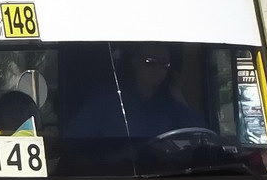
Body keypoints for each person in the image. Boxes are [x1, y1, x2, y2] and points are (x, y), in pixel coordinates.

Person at [68, 42, 202, 139]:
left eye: (164, 63)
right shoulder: (105, 100)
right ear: (135, 62)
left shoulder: (170, 105)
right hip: (116, 174)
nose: (158, 69)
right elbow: (77, 142)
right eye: (150, 62)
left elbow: (201, 137)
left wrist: (178, 95)